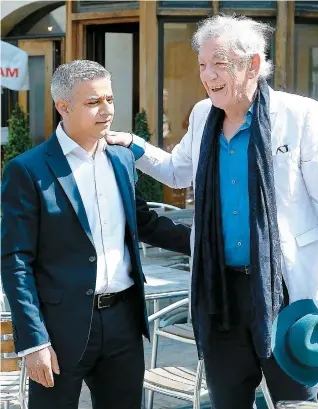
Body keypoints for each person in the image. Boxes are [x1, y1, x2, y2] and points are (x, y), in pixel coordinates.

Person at [107, 15, 318, 408]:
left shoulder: (300, 115)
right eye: (202, 65)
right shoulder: (204, 114)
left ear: (253, 64)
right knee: (227, 401)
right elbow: (177, 171)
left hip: (286, 292)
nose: (208, 75)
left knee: (297, 402)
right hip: (220, 293)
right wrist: (132, 144)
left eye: (218, 64)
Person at [1, 60, 191, 409]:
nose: (106, 111)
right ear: (63, 106)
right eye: (93, 102)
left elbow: (144, 223)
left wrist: (203, 243)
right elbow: (15, 261)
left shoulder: (121, 159)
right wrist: (33, 341)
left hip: (123, 323)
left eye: (109, 99)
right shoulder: (27, 170)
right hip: (58, 329)